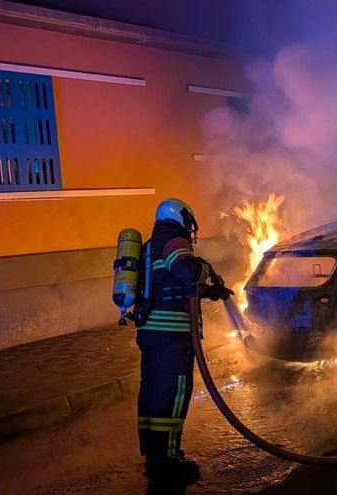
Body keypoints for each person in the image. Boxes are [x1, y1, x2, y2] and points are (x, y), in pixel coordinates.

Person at [135, 197, 233, 487]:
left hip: (151, 332)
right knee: (173, 395)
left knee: (153, 394)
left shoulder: (152, 245)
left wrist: (211, 293)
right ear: (180, 218)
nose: (191, 229)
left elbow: (172, 286)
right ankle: (168, 463)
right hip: (172, 337)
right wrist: (205, 268)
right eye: (189, 222)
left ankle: (154, 457)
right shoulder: (173, 240)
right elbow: (187, 272)